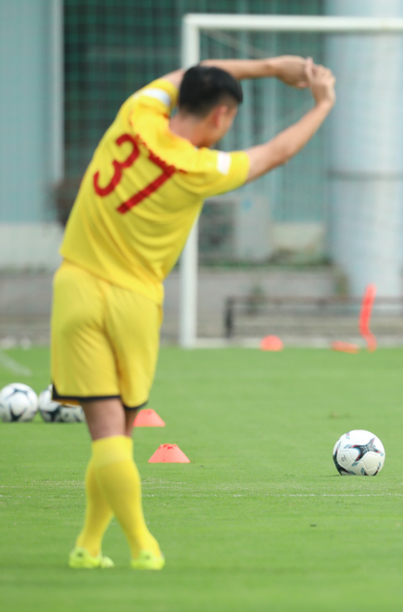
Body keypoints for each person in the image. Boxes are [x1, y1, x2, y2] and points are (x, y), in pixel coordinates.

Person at [52, 55, 336, 569]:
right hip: (132, 300)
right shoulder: (199, 168)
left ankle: (88, 546)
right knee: (120, 429)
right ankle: (143, 545)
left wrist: (271, 67)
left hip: (73, 285)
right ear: (222, 117)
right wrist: (322, 103)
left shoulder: (137, 111)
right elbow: (278, 152)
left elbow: (187, 74)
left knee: (104, 429)